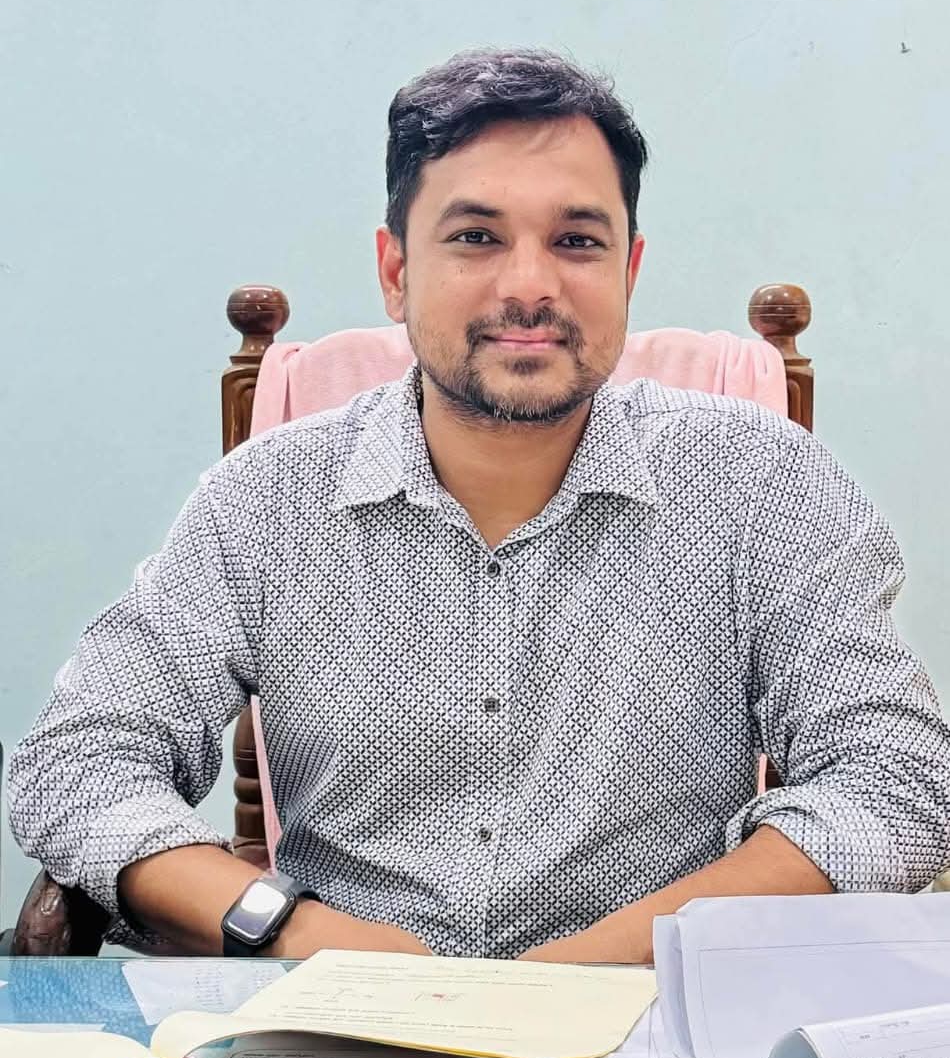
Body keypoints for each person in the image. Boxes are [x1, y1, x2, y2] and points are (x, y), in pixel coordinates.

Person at [9, 49, 950, 963]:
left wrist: (604, 964)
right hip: (334, 1019)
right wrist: (294, 931)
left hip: (653, 1015)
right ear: (395, 272)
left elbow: (898, 778)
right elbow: (78, 762)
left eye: (577, 241)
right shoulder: (265, 501)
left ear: (628, 271)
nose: (530, 285)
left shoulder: (762, 483)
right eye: (475, 237)